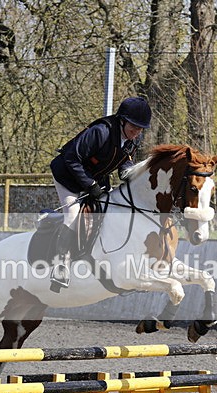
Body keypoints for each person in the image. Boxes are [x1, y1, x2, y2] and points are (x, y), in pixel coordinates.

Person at [48, 96, 152, 291]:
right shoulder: (100, 132)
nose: (136, 132)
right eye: (134, 127)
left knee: (111, 211)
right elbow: (71, 158)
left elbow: (125, 162)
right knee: (73, 216)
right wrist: (90, 185)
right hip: (67, 175)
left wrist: (131, 174)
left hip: (95, 177)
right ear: (122, 120)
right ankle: (60, 265)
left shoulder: (132, 139)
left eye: (140, 128)